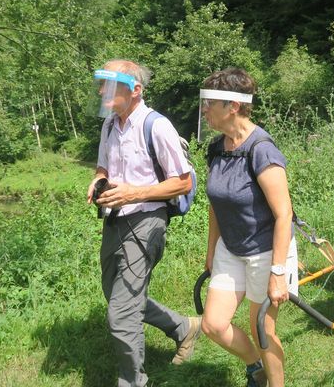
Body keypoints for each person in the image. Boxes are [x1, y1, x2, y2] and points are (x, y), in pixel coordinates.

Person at [87, 60, 200, 387]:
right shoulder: (110, 125)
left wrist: (133, 194)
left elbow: (182, 183)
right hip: (115, 221)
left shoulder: (157, 126)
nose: (101, 92)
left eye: (109, 86)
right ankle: (184, 328)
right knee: (116, 296)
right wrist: (98, 182)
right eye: (101, 85)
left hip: (148, 222)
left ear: (135, 90)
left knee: (121, 314)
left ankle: (132, 381)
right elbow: (102, 168)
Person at [199, 68, 297, 387]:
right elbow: (217, 204)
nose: (204, 109)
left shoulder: (261, 150)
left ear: (233, 107)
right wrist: (212, 249)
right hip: (231, 248)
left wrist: (278, 272)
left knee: (262, 331)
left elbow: (284, 214)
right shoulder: (217, 147)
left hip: (266, 252)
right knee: (213, 324)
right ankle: (255, 366)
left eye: (209, 102)